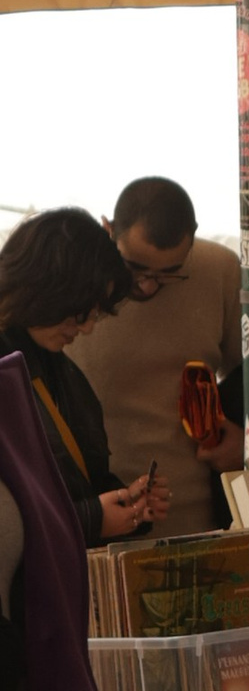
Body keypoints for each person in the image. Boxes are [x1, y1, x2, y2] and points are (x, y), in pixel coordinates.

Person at [70, 177, 245, 538]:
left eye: (169, 273)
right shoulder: (70, 285)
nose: (148, 285)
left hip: (204, 524)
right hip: (97, 524)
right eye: (134, 268)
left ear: (192, 240)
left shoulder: (221, 270)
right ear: (107, 231)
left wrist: (245, 443)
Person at [0, 209, 169, 547]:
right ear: (46, 289)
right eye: (80, 313)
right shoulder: (17, 364)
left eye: (93, 315)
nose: (87, 328)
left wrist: (126, 504)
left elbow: (78, 481)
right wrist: (92, 519)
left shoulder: (58, 367)